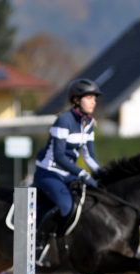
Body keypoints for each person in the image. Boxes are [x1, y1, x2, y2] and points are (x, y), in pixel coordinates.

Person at [33, 78, 102, 262]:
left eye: (95, 98)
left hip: (67, 174)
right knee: (66, 206)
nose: (94, 102)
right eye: (89, 98)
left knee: (88, 201)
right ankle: (38, 244)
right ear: (77, 100)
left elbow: (89, 156)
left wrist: (103, 175)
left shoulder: (89, 124)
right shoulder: (63, 120)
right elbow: (59, 156)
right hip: (48, 172)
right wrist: (82, 174)